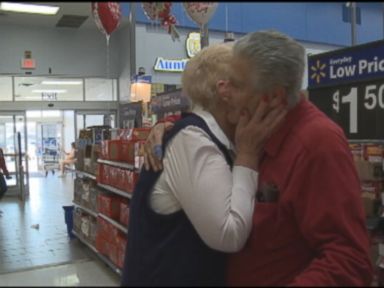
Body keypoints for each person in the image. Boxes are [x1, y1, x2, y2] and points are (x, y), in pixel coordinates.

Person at [142, 30, 373, 286]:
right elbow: (205, 126)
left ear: (273, 97)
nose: (224, 91)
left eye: (236, 84)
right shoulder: (252, 129)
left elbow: (349, 258)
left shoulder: (317, 144)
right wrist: (168, 127)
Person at [120, 43, 287, 286]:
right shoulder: (193, 141)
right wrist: (248, 155)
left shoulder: (204, 136)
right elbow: (229, 235)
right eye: (247, 85)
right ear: (225, 91)